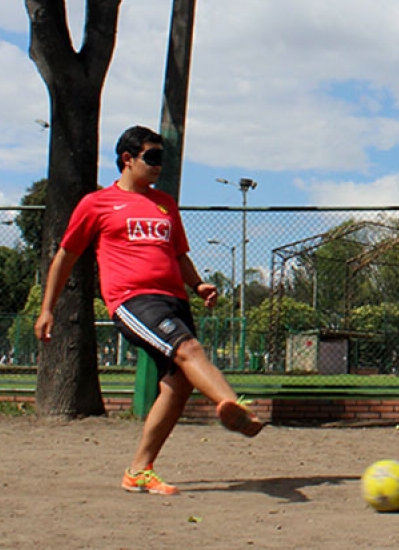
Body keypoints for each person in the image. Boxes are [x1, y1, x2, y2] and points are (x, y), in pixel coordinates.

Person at [35, 125, 265, 496]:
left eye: (163, 158)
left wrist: (198, 284)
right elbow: (66, 255)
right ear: (127, 159)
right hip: (132, 298)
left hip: (173, 297)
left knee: (177, 386)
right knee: (189, 350)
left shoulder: (165, 204)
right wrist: (48, 309)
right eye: (152, 157)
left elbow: (178, 253)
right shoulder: (96, 204)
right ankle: (235, 405)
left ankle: (139, 470)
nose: (159, 166)